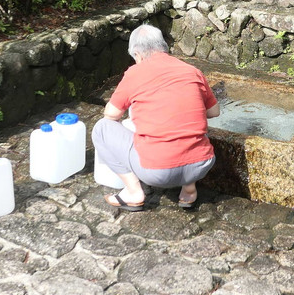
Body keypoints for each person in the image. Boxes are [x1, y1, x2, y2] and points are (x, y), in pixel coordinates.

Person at [92, 24, 220, 211]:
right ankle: (189, 190)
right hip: (202, 164)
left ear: (138, 55)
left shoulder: (135, 73)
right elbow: (214, 111)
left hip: (158, 173)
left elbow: (111, 114)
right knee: (191, 122)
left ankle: (133, 192)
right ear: (163, 47)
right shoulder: (192, 71)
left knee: (101, 128)